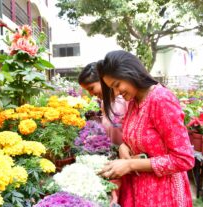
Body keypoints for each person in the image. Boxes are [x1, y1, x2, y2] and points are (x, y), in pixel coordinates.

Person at [98, 50, 194, 207]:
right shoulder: (133, 101)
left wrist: (130, 165)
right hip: (137, 189)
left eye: (117, 85)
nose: (117, 93)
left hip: (164, 194)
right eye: (111, 88)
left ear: (130, 73)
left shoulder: (161, 100)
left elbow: (184, 159)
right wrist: (123, 146)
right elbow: (134, 138)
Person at [78, 62, 127, 145]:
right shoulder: (104, 103)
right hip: (115, 154)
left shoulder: (126, 100)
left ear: (104, 80)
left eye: (91, 88)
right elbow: (110, 128)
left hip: (130, 155)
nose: (90, 94)